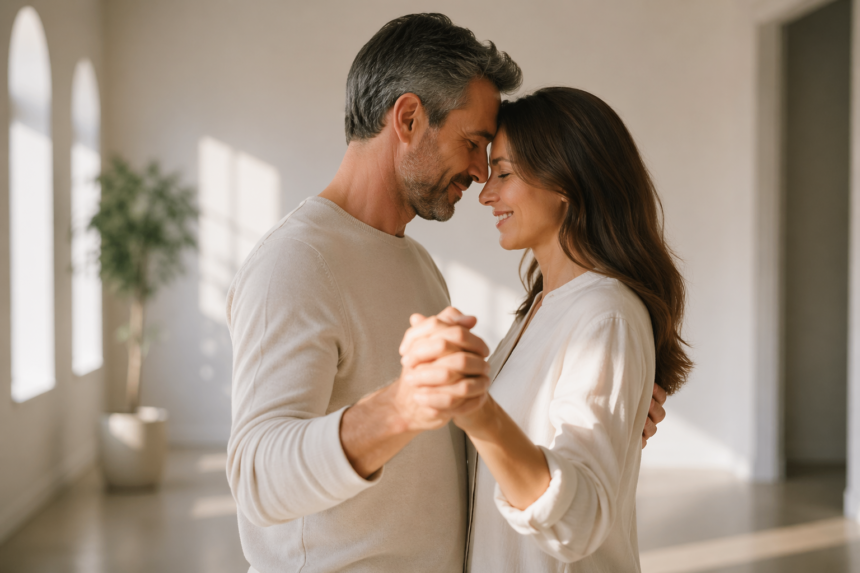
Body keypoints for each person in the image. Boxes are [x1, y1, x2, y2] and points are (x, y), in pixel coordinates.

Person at [226, 14, 666, 573]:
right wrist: (401, 406)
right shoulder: (295, 262)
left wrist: (587, 419)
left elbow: (450, 441)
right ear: (409, 118)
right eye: (475, 142)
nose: (482, 175)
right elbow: (259, 478)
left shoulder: (417, 264)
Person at [400, 87, 692, 572]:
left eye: (504, 173)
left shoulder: (606, 317)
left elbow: (578, 522)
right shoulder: (538, 309)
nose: (486, 193)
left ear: (566, 182)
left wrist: (477, 409)